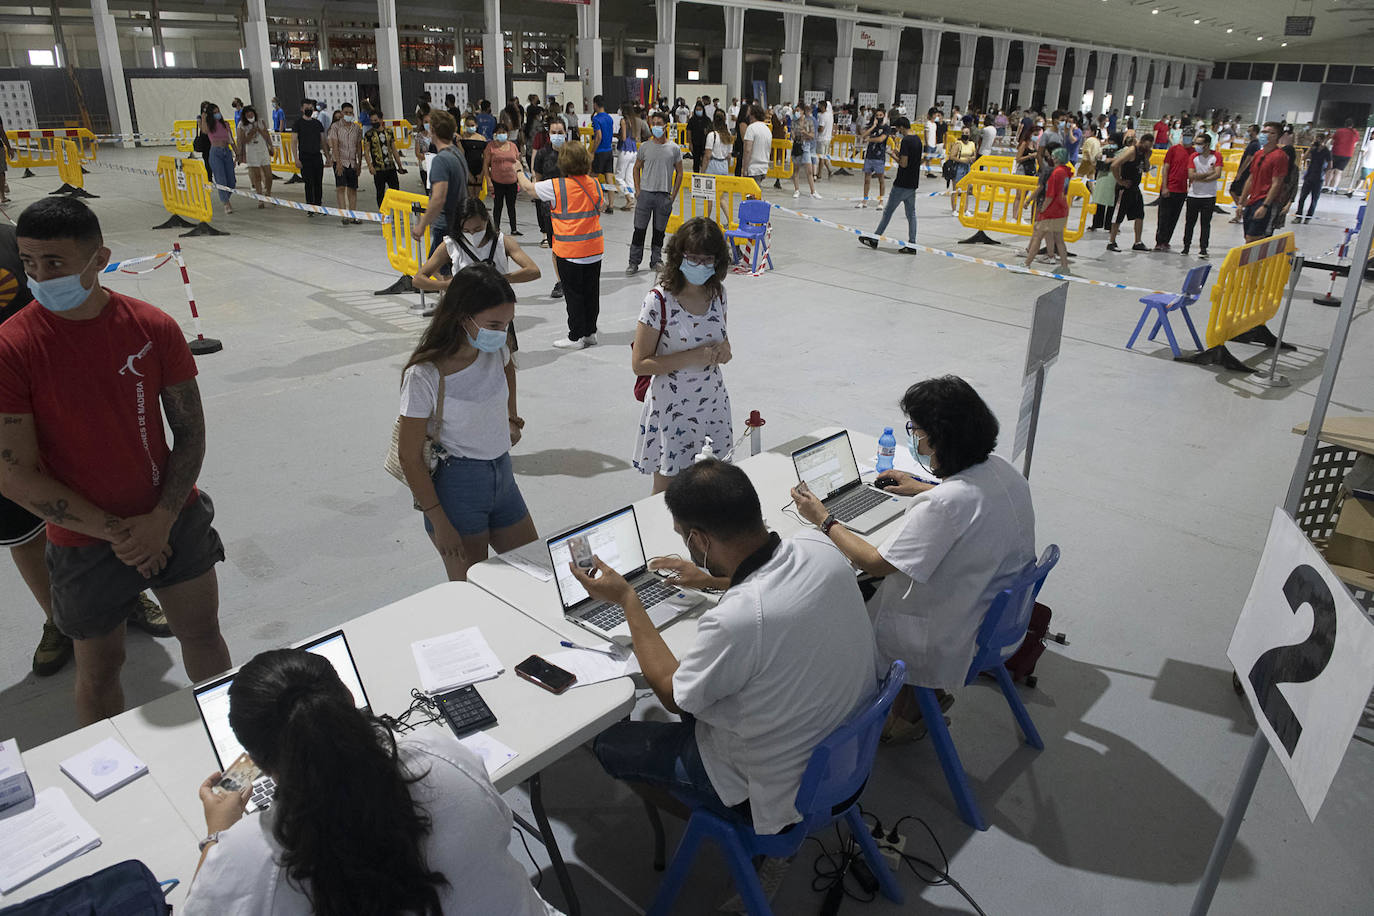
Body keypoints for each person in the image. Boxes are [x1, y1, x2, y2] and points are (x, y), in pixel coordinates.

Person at [0, 198, 230, 725]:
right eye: (28, 263)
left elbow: (190, 432)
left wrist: (162, 519)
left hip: (174, 518)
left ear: (97, 258)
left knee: (203, 638)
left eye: (54, 263)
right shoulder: (13, 347)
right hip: (82, 541)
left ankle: (237, 750)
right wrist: (122, 535)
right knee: (101, 673)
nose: (39, 276)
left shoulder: (153, 327)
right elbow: (14, 474)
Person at [580, 458, 878, 860]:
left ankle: (745, 843)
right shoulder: (818, 544)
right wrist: (711, 579)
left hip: (773, 790)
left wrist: (629, 600)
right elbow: (766, 587)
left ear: (700, 540)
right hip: (844, 755)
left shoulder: (738, 617)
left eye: (683, 536)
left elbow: (672, 694)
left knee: (607, 742)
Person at [181, 648, 563, 916]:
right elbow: (500, 826)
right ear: (350, 701)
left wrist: (216, 834)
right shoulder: (439, 754)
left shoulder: (249, 855)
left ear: (258, 762)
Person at [790, 376, 1033, 740]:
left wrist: (823, 518)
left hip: (947, 635)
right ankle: (917, 703)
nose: (915, 438)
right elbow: (969, 502)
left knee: (834, 603)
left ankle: (892, 708)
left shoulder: (945, 506)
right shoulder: (1002, 470)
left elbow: (874, 561)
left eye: (917, 430)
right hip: (999, 621)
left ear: (940, 437)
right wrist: (923, 487)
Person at [397, 265, 534, 581]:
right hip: (458, 486)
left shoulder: (495, 348)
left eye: (508, 324)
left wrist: (512, 418)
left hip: (503, 476)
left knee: (534, 571)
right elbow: (409, 455)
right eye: (494, 324)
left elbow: (509, 369)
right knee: (475, 590)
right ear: (462, 316)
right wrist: (440, 521)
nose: (502, 334)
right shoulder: (425, 375)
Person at [630, 219, 733, 494]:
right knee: (668, 492)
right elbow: (640, 364)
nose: (700, 265)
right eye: (692, 258)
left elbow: (724, 341)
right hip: (672, 409)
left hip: (712, 403)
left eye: (707, 259)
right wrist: (693, 357)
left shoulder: (718, 295)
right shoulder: (658, 300)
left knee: (712, 486)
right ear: (678, 256)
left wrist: (724, 352)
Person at [515, 140, 604, 349]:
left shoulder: (556, 186)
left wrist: (519, 170)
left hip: (570, 252)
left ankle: (576, 336)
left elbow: (529, 188)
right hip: (594, 250)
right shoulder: (595, 184)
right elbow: (600, 205)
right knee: (591, 293)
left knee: (573, 295)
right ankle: (590, 332)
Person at [413, 198, 540, 301]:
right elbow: (418, 279)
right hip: (463, 308)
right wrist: (446, 285)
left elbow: (533, 271)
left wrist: (500, 279)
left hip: (497, 305)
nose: (473, 234)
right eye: (466, 231)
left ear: (486, 220)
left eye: (478, 229)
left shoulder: (502, 241)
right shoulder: (451, 245)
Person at [626, 111, 683, 277]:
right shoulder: (645, 147)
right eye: (654, 123)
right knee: (639, 229)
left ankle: (656, 260)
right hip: (645, 195)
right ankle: (634, 262)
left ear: (665, 125)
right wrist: (637, 189)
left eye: (659, 123)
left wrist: (673, 195)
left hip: (663, 196)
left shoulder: (674, 149)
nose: (656, 126)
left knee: (659, 231)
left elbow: (679, 172)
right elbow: (636, 168)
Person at [860, 116, 920, 254]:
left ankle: (874, 239)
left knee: (888, 213)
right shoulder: (917, 140)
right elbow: (911, 159)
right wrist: (897, 152)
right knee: (911, 214)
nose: (897, 131)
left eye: (898, 129)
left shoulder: (906, 140)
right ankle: (912, 244)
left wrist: (891, 155)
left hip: (901, 183)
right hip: (913, 183)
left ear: (902, 127)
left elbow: (904, 163)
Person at [413, 111, 468, 261]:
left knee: (439, 270)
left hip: (445, 223)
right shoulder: (457, 154)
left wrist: (422, 225)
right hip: (459, 219)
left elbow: (438, 198)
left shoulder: (441, 160)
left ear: (433, 130)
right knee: (445, 267)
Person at [1023, 147, 1072, 274]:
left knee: (1038, 235)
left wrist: (1043, 209)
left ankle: (1026, 263)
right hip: (1062, 209)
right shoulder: (1066, 172)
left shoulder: (1055, 173)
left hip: (1052, 210)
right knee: (1059, 239)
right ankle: (1064, 266)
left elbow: (1050, 195)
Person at [1236, 122, 1287, 243]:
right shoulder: (1258, 154)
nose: (1266, 135)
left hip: (1264, 200)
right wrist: (1241, 201)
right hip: (1252, 200)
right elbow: (1251, 178)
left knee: (1253, 237)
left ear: (1277, 136)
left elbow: (1276, 183)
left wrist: (1265, 206)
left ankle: (1254, 261)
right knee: (1247, 236)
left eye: (1271, 133)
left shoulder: (1280, 156)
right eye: (1264, 132)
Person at [1106, 135, 1152, 252]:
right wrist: (1120, 180)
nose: (1148, 148)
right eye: (1146, 146)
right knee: (1118, 216)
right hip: (1124, 189)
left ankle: (1138, 242)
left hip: (1135, 188)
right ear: (1141, 142)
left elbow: (1146, 169)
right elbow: (1114, 165)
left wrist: (1147, 157)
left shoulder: (1145, 153)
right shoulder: (1132, 151)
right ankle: (1111, 242)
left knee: (1140, 215)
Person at [1182, 132, 1221, 258]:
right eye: (1196, 143)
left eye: (1199, 144)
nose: (1197, 146)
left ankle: (1203, 248)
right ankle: (1186, 246)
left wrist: (1200, 178)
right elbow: (1191, 175)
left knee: (1205, 223)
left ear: (1207, 145)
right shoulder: (1193, 156)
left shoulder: (1216, 156)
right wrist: (1206, 175)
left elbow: (1217, 174)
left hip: (1209, 196)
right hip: (1194, 195)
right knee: (1189, 222)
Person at [531, 116, 565, 256]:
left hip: (568, 204)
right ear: (549, 134)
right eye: (554, 132)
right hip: (549, 205)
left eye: (560, 132)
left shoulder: (573, 152)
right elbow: (538, 181)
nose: (557, 136)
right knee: (555, 248)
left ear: (566, 132)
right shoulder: (542, 154)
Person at [482, 119, 523, 236]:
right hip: (497, 182)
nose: (502, 134)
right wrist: (489, 181)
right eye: (499, 132)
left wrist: (520, 179)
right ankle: (496, 228)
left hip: (512, 181)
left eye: (504, 132)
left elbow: (518, 162)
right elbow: (486, 165)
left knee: (511, 206)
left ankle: (514, 228)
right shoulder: (491, 146)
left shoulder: (513, 146)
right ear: (495, 134)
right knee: (498, 205)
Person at [327, 102, 364, 226]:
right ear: (342, 113)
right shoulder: (336, 127)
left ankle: (352, 215)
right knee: (340, 187)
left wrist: (359, 163)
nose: (348, 115)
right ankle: (344, 215)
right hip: (341, 161)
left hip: (352, 162)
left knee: (353, 189)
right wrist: (338, 162)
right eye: (346, 112)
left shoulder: (357, 128)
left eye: (350, 113)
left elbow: (359, 146)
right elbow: (335, 145)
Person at [362, 106, 407, 209]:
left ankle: (396, 212)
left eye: (376, 120)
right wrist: (370, 166)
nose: (374, 122)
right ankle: (383, 214)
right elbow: (367, 152)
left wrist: (399, 165)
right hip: (378, 169)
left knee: (395, 192)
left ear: (381, 120)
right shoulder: (368, 134)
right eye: (372, 121)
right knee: (380, 193)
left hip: (391, 167)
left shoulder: (389, 132)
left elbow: (394, 150)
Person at [1153, 136, 1193, 250]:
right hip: (1169, 188)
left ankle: (1166, 241)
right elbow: (1166, 168)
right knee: (1163, 217)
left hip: (1182, 190)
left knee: (1174, 217)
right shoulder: (1173, 149)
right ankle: (1159, 241)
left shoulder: (1193, 152)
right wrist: (1165, 187)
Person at [234, 105, 275, 209]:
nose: (250, 116)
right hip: (252, 151)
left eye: (252, 114)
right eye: (248, 115)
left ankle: (268, 193)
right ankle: (260, 197)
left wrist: (271, 146)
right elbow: (242, 141)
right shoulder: (241, 125)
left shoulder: (261, 121)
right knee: (257, 176)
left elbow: (267, 135)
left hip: (263, 149)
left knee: (268, 175)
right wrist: (251, 133)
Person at [200, 102, 236, 214]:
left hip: (227, 151)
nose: (217, 114)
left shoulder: (225, 124)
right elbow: (204, 131)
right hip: (216, 152)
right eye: (214, 113)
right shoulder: (210, 125)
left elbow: (231, 139)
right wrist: (204, 118)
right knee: (221, 179)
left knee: (231, 181)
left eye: (218, 111)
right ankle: (226, 203)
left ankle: (225, 197)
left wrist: (237, 152)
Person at [292, 99, 326, 216]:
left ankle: (318, 205)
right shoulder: (298, 124)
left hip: (317, 156)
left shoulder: (317, 124)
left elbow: (323, 141)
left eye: (311, 108)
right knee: (309, 182)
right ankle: (310, 207)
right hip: (305, 156)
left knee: (318, 182)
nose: (309, 110)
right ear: (302, 109)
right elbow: (294, 141)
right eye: (306, 108)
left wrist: (328, 156)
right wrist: (296, 158)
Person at [856, 107, 893, 208]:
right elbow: (863, 136)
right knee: (867, 179)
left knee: (881, 179)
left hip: (879, 156)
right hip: (869, 155)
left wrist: (870, 139)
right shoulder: (872, 126)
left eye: (881, 115)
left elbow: (881, 139)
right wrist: (873, 126)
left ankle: (881, 200)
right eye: (877, 115)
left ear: (884, 116)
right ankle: (865, 199)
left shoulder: (886, 128)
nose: (879, 117)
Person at [615, 104, 646, 211]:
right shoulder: (634, 121)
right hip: (633, 150)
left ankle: (628, 198)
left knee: (619, 177)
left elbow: (623, 137)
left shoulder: (623, 121)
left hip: (625, 149)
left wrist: (615, 135)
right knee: (629, 177)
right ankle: (632, 198)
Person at [590, 96, 616, 214]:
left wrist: (592, 151)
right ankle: (611, 204)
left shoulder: (596, 119)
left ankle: (597, 202)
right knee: (609, 179)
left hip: (600, 152)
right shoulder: (609, 118)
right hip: (609, 151)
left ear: (595, 104)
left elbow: (598, 136)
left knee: (592, 178)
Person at [947, 127, 977, 214]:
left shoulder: (972, 144)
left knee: (966, 190)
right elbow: (952, 156)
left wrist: (970, 159)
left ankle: (965, 209)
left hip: (967, 167)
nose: (965, 134)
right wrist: (962, 160)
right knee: (956, 189)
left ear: (970, 134)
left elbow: (974, 155)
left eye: (967, 133)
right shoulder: (958, 144)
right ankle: (954, 209)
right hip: (958, 167)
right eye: (963, 133)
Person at [458, 114, 487, 202]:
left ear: (476, 125)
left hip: (479, 169)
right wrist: (468, 173)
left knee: (477, 198)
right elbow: (462, 156)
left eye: (472, 125)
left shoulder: (482, 139)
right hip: (467, 168)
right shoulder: (462, 139)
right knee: (469, 197)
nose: (470, 127)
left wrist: (482, 173)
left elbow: (485, 157)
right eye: (468, 125)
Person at [741, 104, 772, 185]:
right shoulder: (767, 129)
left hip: (753, 168)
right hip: (764, 167)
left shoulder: (751, 128)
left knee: (751, 195)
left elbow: (748, 150)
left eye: (749, 114)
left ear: (753, 115)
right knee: (757, 192)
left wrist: (744, 168)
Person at [1326, 118, 1360, 193]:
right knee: (1339, 172)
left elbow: (1332, 142)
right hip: (1347, 154)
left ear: (1345, 124)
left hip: (1336, 152)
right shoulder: (1355, 133)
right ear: (1352, 125)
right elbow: (1355, 144)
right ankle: (1333, 188)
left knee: (1331, 170)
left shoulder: (1339, 131)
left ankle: (1326, 187)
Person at [687, 100, 711, 168]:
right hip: (695, 143)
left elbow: (710, 131)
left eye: (700, 109)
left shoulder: (707, 120)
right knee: (696, 161)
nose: (698, 111)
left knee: (705, 161)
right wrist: (690, 143)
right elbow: (689, 131)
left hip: (705, 144)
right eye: (697, 110)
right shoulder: (692, 120)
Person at [816, 100, 835, 180]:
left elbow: (821, 128)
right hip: (828, 138)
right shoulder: (830, 115)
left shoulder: (822, 116)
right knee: (825, 156)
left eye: (819, 106)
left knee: (821, 158)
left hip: (822, 138)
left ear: (823, 106)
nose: (818, 107)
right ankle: (830, 170)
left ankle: (819, 174)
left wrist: (815, 128)